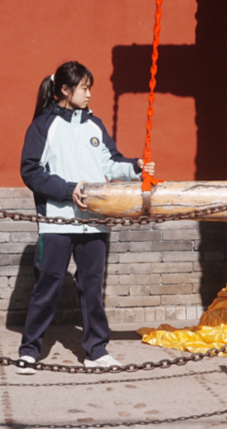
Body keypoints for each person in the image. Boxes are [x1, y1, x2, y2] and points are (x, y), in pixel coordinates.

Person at [18, 61, 155, 373]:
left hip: (94, 221)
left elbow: (111, 164)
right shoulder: (43, 126)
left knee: (92, 289)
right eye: (84, 88)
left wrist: (136, 167)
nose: (89, 94)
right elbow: (31, 171)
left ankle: (97, 350)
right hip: (57, 221)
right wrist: (68, 190)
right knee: (47, 287)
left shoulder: (95, 126)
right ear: (65, 90)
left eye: (89, 88)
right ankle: (29, 350)